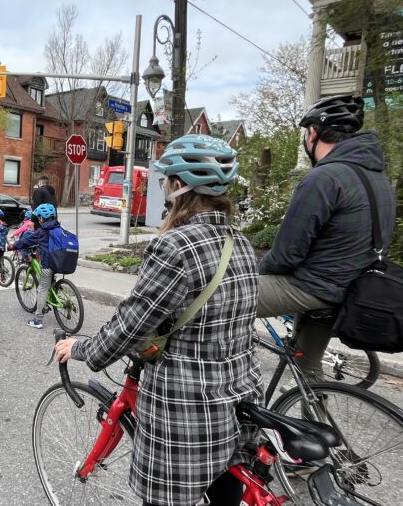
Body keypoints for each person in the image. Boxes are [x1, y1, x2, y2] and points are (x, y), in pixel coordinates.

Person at [54, 134, 263, 506]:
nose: (163, 187)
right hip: (238, 399)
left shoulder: (176, 245)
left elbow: (133, 321)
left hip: (187, 410)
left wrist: (83, 347)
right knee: (225, 493)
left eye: (166, 180)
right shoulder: (240, 243)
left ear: (180, 186)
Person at [257, 95, 396, 381]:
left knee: (216, 298)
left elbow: (285, 256)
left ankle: (219, 387)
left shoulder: (324, 177)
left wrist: (250, 271)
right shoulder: (376, 176)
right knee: (308, 372)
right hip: (352, 285)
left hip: (315, 287)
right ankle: (316, 425)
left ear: (312, 133)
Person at [10, 203, 60, 330]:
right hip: (60, 262)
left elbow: (25, 241)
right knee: (50, 281)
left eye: (39, 218)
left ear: (41, 218)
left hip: (48, 264)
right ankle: (51, 300)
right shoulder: (60, 229)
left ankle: (38, 320)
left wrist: (11, 246)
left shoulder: (41, 232)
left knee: (42, 288)